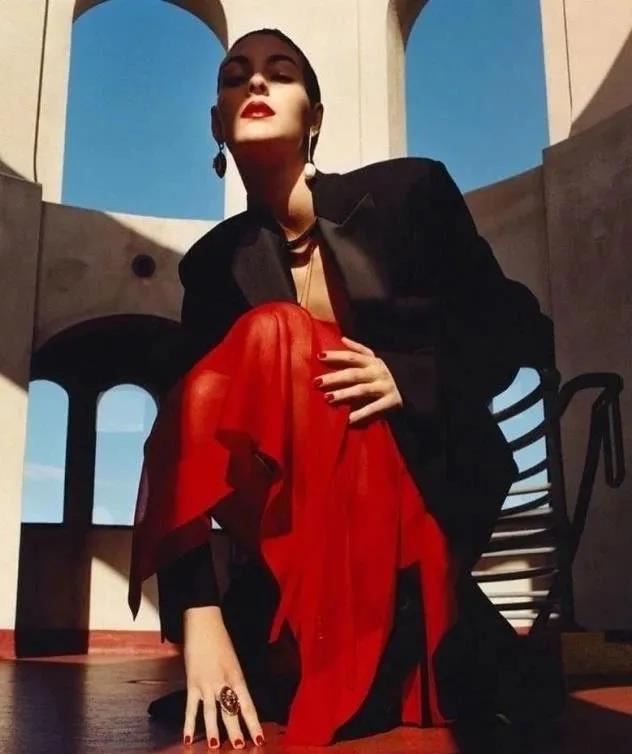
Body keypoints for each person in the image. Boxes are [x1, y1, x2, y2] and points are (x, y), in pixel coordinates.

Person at [128, 26, 564, 750]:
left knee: (275, 330)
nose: (256, 83)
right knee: (222, 371)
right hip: (302, 507)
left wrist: (410, 374)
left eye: (280, 72)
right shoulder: (212, 265)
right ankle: (290, 643)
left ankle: (354, 646)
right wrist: (198, 616)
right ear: (215, 125)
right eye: (235, 75)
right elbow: (185, 429)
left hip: (424, 481)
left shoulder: (409, 195)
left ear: (317, 116)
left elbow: (521, 327)